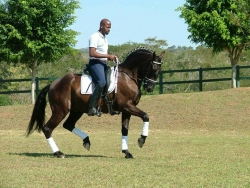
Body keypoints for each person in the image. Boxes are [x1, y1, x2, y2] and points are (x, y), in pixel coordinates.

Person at [87, 18, 117, 116]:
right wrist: (108, 56)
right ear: (101, 26)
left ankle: (108, 106)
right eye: (107, 27)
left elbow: (103, 53)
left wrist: (111, 58)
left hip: (103, 64)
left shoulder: (104, 38)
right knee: (102, 82)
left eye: (110, 28)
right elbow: (92, 53)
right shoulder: (94, 37)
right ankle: (91, 107)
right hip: (95, 63)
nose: (109, 29)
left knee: (112, 81)